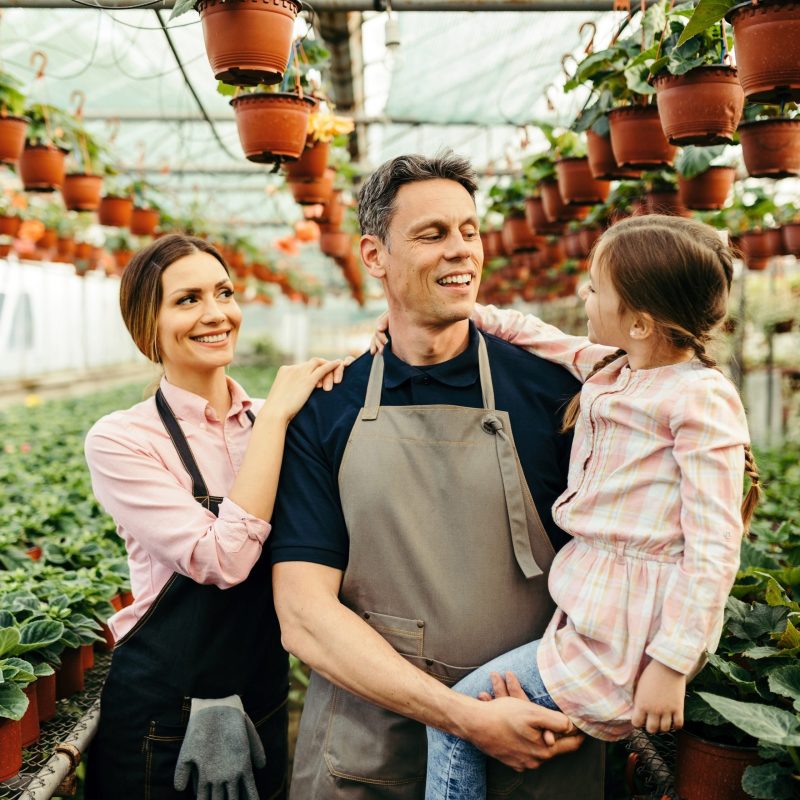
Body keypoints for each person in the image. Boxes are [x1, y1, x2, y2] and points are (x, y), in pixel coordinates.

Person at [270, 152, 604, 800]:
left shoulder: (557, 395)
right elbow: (304, 615)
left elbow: (624, 562)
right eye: (433, 234)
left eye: (469, 231)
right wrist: (467, 718)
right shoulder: (327, 408)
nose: (462, 251)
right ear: (374, 255)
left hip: (535, 733)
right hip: (369, 750)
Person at [399, 214, 760, 799]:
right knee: (477, 716)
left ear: (640, 322)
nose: (581, 295)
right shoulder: (616, 368)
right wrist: (455, 314)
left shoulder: (699, 398)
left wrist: (670, 665)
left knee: (458, 716)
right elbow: (537, 334)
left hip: (628, 642)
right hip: (591, 615)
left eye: (595, 289)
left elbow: (715, 547)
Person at [84, 234, 346, 800]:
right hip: (161, 715)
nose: (216, 313)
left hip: (260, 695)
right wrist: (276, 418)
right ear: (145, 326)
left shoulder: (274, 422)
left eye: (224, 293)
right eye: (187, 300)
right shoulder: (123, 439)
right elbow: (220, 559)